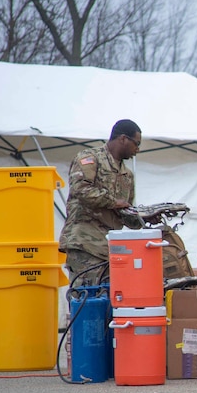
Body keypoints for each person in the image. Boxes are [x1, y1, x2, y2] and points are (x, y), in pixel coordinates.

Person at [59, 119, 143, 287]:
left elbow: (125, 213)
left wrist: (144, 218)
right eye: (136, 144)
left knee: (106, 302)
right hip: (85, 244)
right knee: (85, 300)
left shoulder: (127, 174)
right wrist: (113, 202)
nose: (137, 150)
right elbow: (81, 190)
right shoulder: (90, 159)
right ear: (123, 139)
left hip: (110, 250)